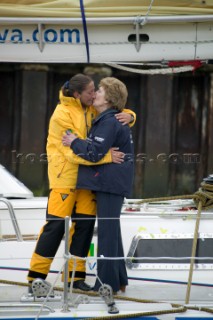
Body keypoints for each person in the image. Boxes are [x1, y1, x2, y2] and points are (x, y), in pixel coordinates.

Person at [27, 73, 136, 292]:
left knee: (84, 227)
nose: (94, 93)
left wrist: (131, 116)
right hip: (65, 179)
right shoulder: (61, 115)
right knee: (55, 227)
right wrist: (107, 157)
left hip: (87, 180)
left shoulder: (90, 108)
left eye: (97, 90)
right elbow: (71, 152)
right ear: (77, 94)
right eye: (90, 91)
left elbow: (114, 112)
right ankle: (36, 278)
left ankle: (75, 278)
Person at [62, 77, 134, 293]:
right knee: (111, 231)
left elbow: (94, 153)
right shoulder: (109, 119)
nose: (95, 95)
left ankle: (106, 284)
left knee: (107, 233)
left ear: (109, 99)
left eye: (99, 91)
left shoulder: (109, 122)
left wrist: (73, 141)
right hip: (111, 183)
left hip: (110, 184)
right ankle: (119, 279)